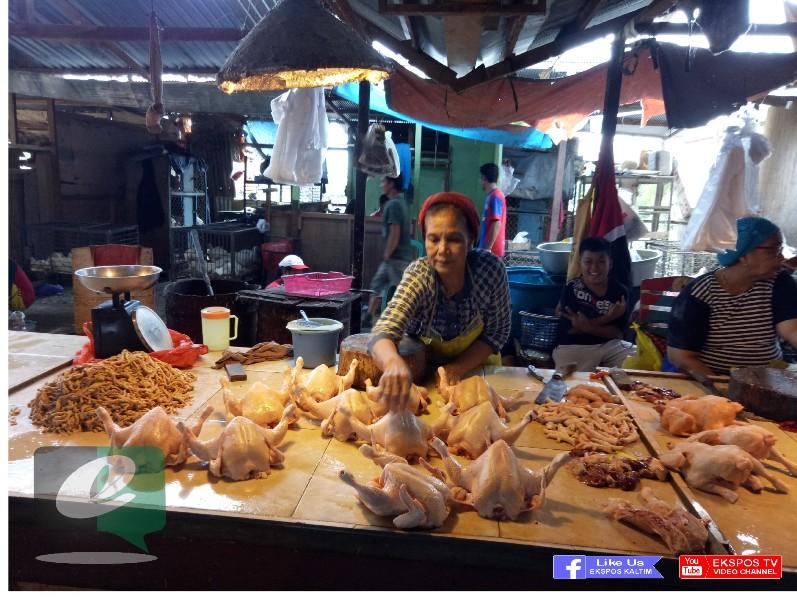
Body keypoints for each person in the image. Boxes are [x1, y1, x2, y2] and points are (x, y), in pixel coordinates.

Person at [369, 192, 511, 410]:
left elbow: (497, 333)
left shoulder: (490, 270)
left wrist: (456, 368)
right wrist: (392, 363)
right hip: (430, 379)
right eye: (433, 239)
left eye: (454, 239)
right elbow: (383, 332)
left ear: (471, 239)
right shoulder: (419, 276)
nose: (442, 250)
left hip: (480, 372)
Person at [667, 216, 797, 376]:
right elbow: (680, 356)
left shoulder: (779, 282)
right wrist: (720, 389)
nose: (781, 258)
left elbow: (792, 330)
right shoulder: (700, 294)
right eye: (773, 250)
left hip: (767, 380)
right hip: (713, 381)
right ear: (743, 254)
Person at [552, 237, 631, 371]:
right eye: (588, 262)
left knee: (635, 360)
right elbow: (573, 329)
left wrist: (587, 326)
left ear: (610, 264)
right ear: (580, 263)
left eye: (601, 262)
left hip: (609, 346)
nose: (594, 267)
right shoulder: (572, 288)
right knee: (576, 384)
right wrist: (608, 318)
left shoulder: (620, 291)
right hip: (573, 346)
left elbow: (617, 334)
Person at [366, 175, 413, 323]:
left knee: (404, 293)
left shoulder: (393, 205)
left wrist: (387, 253)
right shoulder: (401, 203)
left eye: (383, 181)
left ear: (391, 184)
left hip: (397, 257)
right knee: (377, 284)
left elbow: (395, 231)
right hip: (395, 257)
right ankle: (368, 316)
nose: (381, 185)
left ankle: (412, 323)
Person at [477, 163, 507, 257]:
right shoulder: (491, 196)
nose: (480, 181)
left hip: (492, 252)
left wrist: (488, 249)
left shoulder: (495, 196)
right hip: (487, 250)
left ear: (484, 178)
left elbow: (496, 223)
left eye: (481, 178)